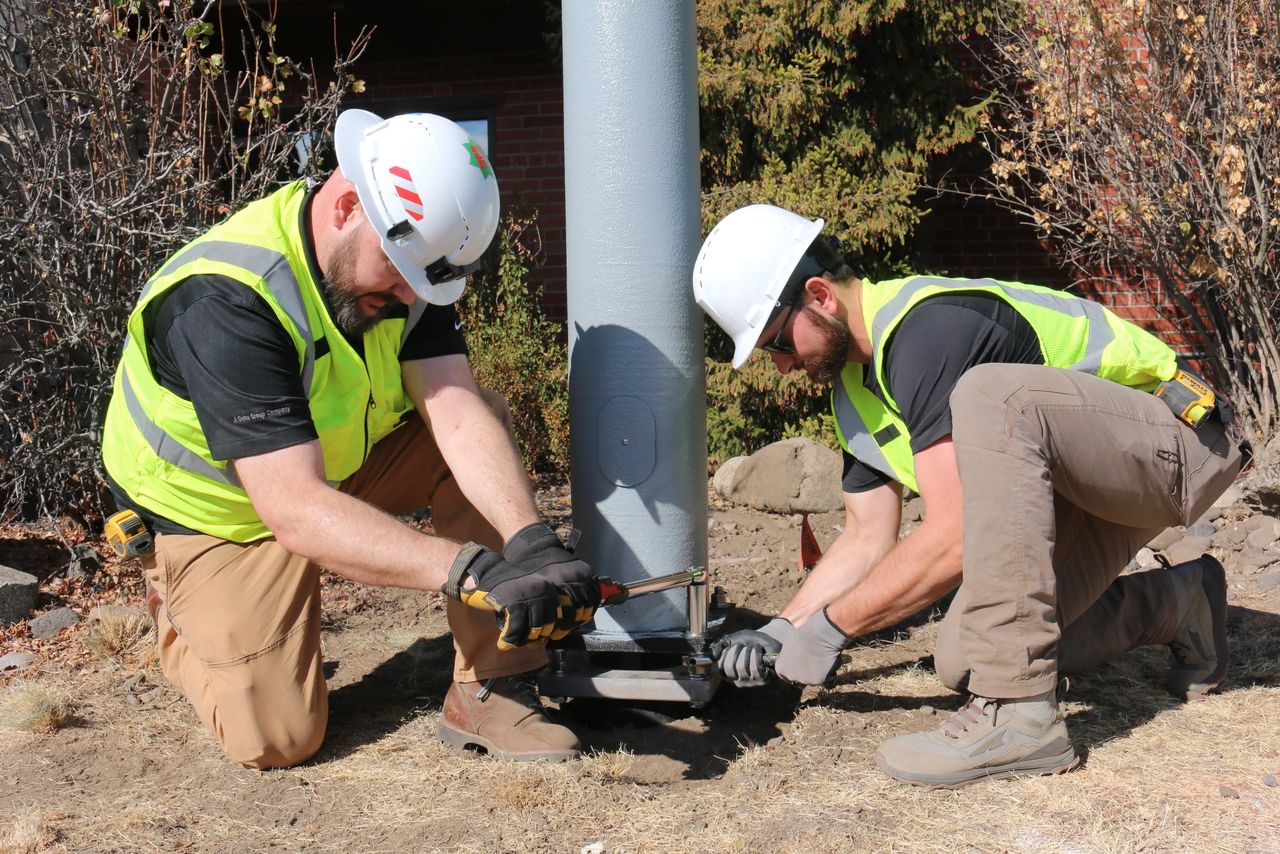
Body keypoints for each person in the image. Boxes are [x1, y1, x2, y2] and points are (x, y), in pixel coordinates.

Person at [101, 109, 599, 769]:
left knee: (486, 415)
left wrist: (530, 544)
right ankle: (178, 612)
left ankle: (492, 685)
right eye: (397, 272)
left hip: (324, 469)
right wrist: (468, 572)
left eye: (421, 280)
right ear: (345, 209)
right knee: (279, 738)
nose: (404, 295)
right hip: (218, 513)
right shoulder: (224, 301)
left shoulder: (407, 274)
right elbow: (293, 508)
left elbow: (454, 412)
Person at [693, 204, 1245, 788]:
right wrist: (786, 628)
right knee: (969, 657)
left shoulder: (929, 331)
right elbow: (865, 536)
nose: (779, 366)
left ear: (820, 297)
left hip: (1180, 437)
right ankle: (1180, 602)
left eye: (776, 341)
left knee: (991, 397)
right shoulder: (854, 389)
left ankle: (1022, 719)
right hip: (1088, 487)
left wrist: (830, 630)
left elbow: (957, 532)